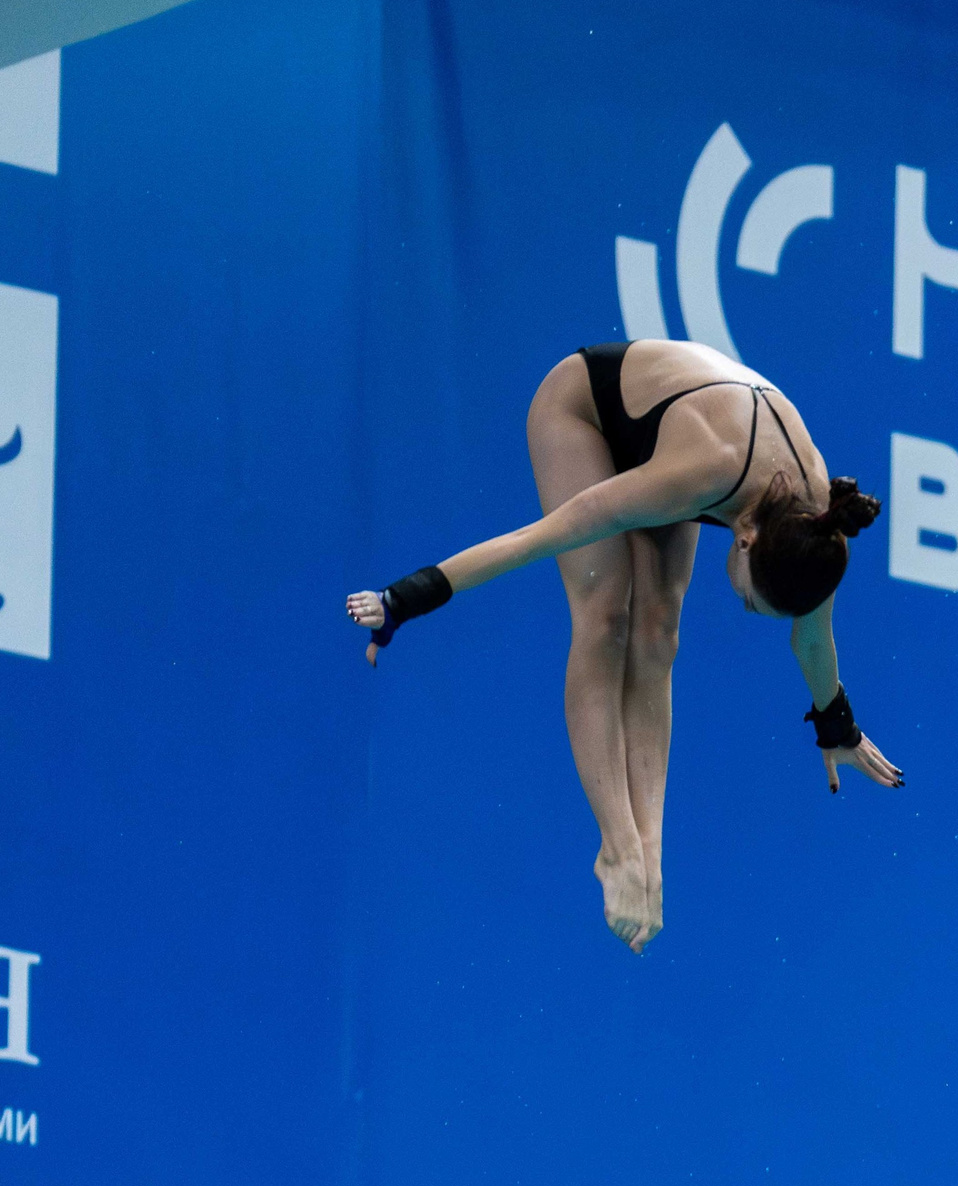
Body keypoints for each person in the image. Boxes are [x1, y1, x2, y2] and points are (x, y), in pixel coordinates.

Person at [346, 340, 902, 954]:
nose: (745, 608)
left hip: (689, 438)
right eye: (750, 600)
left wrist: (837, 727)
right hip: (587, 410)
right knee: (605, 612)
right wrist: (405, 598)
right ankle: (616, 846)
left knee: (660, 632)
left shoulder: (816, 531)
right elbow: (536, 540)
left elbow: (812, 638)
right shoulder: (699, 475)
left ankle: (649, 858)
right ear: (745, 537)